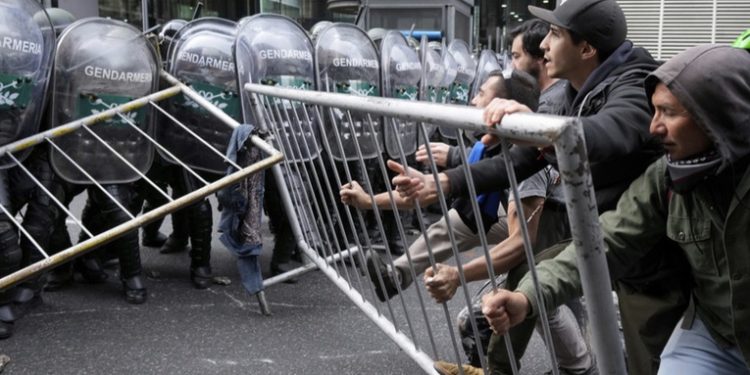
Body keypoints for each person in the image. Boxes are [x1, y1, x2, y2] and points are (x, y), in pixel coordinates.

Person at [391, 0, 691, 373]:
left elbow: (612, 131)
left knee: (648, 360)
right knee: (526, 278)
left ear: (586, 49)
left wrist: (545, 129)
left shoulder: (637, 82)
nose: (543, 45)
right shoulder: (570, 92)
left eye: (555, 34)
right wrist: (447, 183)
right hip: (599, 233)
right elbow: (519, 161)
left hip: (645, 251)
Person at [483, 44, 750, 375]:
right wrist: (527, 299)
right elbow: (607, 242)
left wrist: (550, 132)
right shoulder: (664, 178)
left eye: (669, 112)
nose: (654, 128)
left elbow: (605, 131)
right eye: (653, 111)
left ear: (718, 117)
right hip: (716, 336)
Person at [340, 69, 537, 301]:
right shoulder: (487, 149)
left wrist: (457, 275)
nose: (473, 100)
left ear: (502, 104)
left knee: (531, 297)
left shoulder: (530, 166)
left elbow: (522, 242)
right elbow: (426, 191)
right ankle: (396, 277)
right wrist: (369, 201)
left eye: (481, 94)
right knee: (458, 221)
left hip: (555, 240)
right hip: (533, 233)